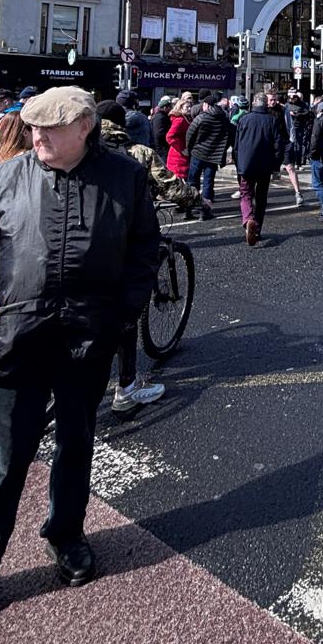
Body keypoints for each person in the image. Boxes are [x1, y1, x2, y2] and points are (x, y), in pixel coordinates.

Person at [0, 87, 158, 644]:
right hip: (17, 338)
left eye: (49, 130)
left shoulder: (125, 177)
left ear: (84, 127)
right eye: (31, 128)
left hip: (87, 338)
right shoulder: (8, 176)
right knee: (2, 459)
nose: (36, 139)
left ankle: (66, 534)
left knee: (77, 444)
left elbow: (143, 253)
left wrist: (120, 317)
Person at [93, 101, 170, 411]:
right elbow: (168, 185)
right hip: (122, 244)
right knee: (126, 312)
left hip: (77, 245)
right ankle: (125, 388)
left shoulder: (77, 151)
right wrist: (196, 199)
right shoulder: (137, 153)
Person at [233, 92, 288, 245]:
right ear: (265, 104)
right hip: (265, 166)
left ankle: (248, 219)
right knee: (261, 198)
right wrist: (276, 165)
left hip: (246, 165)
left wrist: (238, 164)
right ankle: (256, 229)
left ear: (253, 103)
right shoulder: (273, 120)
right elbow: (279, 146)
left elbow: (236, 145)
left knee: (245, 194)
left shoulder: (244, 119)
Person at [184, 94, 232, 220]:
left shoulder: (201, 118)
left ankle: (189, 209)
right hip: (213, 156)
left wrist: (190, 149)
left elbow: (190, 134)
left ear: (206, 105)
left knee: (192, 182)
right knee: (208, 184)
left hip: (197, 153)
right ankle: (205, 212)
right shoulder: (224, 118)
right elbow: (228, 137)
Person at [265, 91, 305, 206]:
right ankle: (262, 195)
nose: (272, 102)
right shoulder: (264, 110)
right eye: (270, 100)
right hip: (270, 144)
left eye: (274, 99)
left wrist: (291, 141)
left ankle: (298, 193)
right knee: (266, 170)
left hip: (284, 141)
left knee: (290, 167)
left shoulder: (283, 109)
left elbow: (290, 125)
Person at [150, 96, 173, 162]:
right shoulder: (160, 117)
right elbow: (158, 134)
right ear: (165, 108)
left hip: (161, 147)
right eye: (170, 107)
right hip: (161, 148)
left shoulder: (162, 116)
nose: (171, 109)